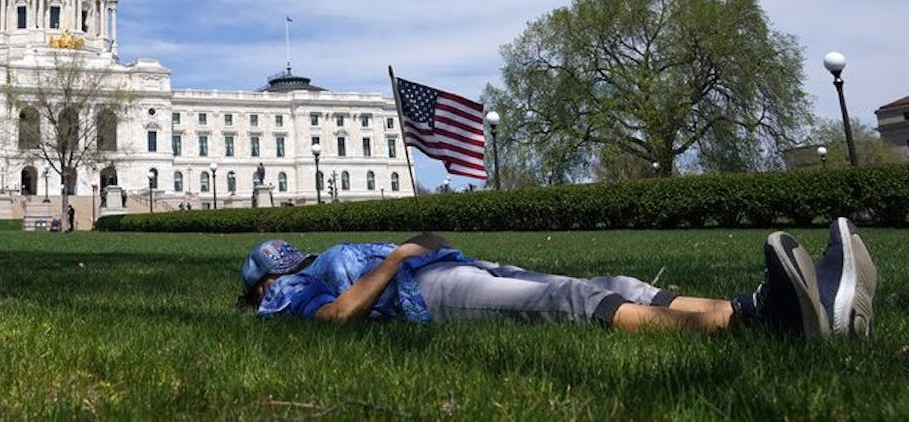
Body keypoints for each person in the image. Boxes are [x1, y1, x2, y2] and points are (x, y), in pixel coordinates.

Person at [239, 218, 877, 339]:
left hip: (444, 268)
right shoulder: (288, 296)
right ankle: (769, 323)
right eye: (278, 262)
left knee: (617, 281)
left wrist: (423, 245)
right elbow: (335, 319)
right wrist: (398, 260)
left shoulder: (308, 265)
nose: (290, 261)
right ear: (265, 285)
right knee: (573, 300)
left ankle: (770, 305)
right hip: (428, 294)